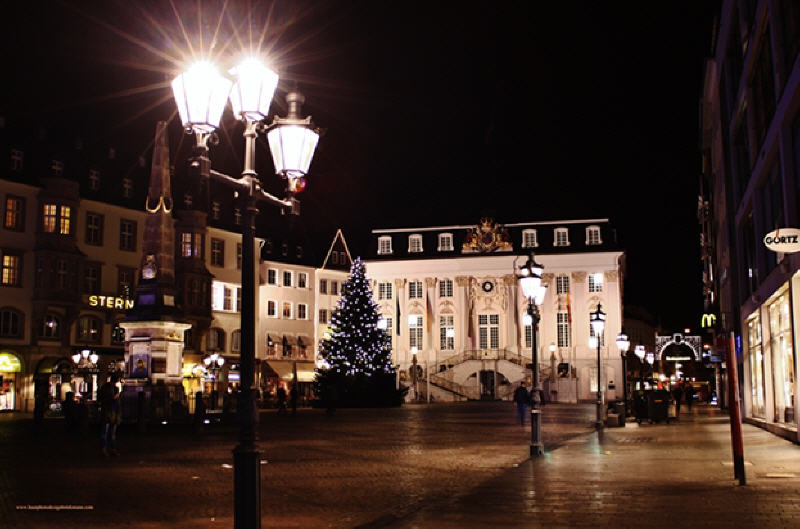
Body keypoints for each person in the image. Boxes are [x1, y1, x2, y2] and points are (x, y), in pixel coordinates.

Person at [99, 375, 121, 457]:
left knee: (110, 432)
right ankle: (106, 448)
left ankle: (109, 448)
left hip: (111, 413)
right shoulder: (109, 389)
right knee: (107, 432)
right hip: (109, 412)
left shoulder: (111, 388)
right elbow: (105, 400)